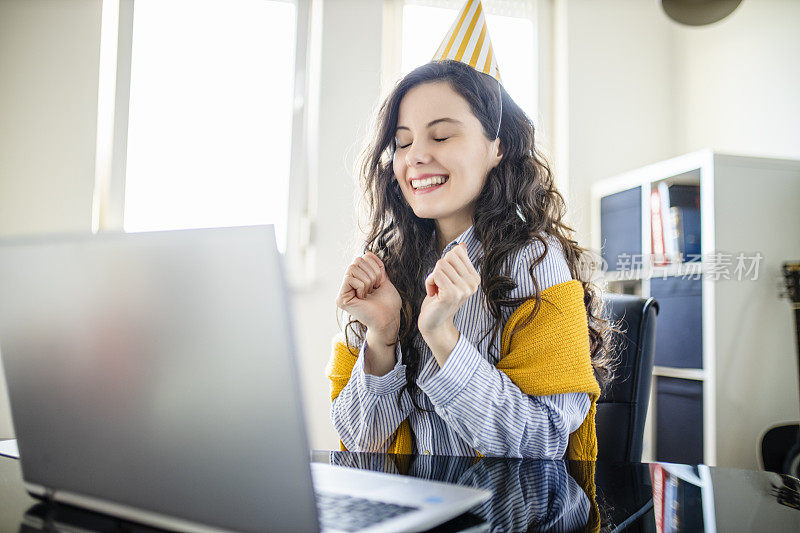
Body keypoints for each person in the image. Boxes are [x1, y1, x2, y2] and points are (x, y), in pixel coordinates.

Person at [327, 1, 615, 460]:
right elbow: (361, 441)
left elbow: (543, 444)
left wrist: (443, 338)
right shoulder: (394, 262)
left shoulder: (536, 262)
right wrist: (382, 335)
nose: (415, 156)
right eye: (402, 142)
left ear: (497, 147)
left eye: (441, 136)